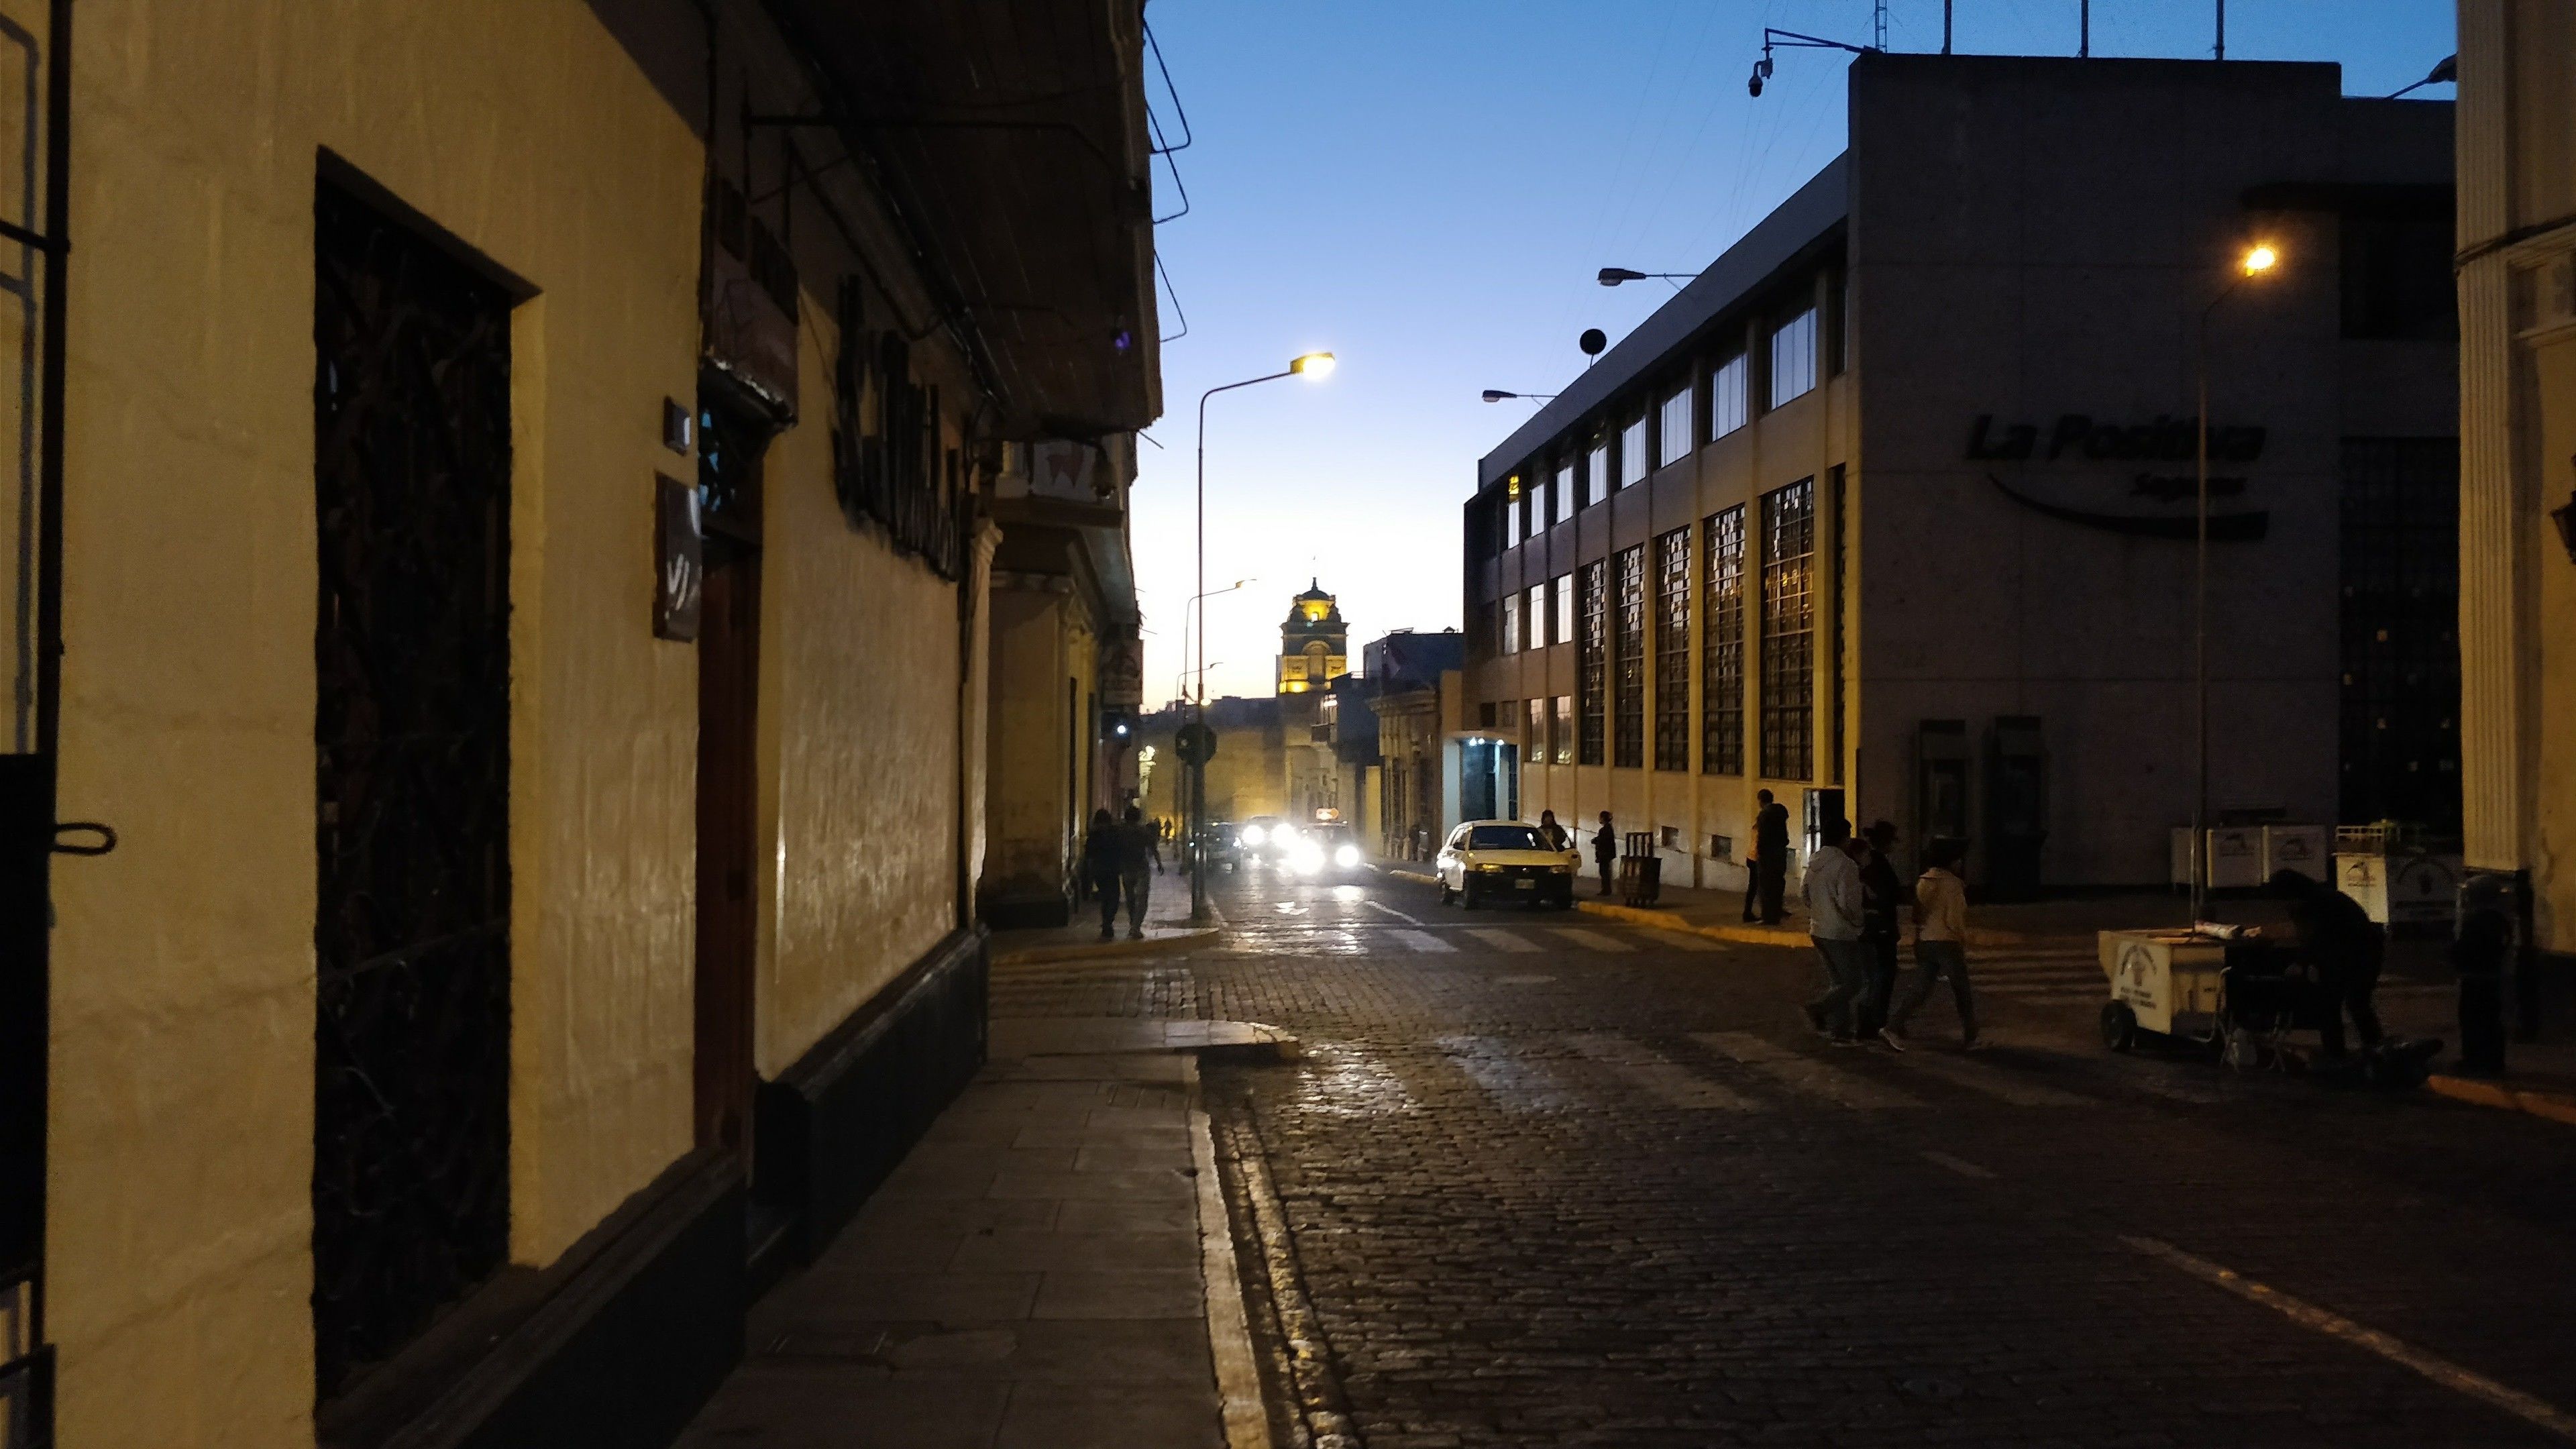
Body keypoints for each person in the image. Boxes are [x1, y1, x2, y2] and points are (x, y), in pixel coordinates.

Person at [2272, 868, 2385, 1058]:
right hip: (2358, 951)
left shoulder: (2317, 905)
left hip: (2356, 953)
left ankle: (2347, 1052)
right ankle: (2370, 1048)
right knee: (2351, 1003)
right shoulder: (2322, 899)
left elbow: (2317, 938)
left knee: (2342, 1003)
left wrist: (2303, 962)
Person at [1882, 838, 1977, 1051]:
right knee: (1962, 991)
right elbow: (1954, 919)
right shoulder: (1952, 884)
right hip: (1947, 942)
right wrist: (1964, 937)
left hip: (1926, 939)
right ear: (1951, 861)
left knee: (1921, 988)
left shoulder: (1924, 881)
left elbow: (1917, 914)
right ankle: (1972, 1036)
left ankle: (1893, 1025)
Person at [1799, 818, 1869, 1044]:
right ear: (1845, 838)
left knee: (1838, 982)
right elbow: (1849, 903)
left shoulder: (1815, 862)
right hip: (1839, 931)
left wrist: (1820, 910)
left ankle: (1840, 1029)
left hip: (1818, 927)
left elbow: (1805, 893)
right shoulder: (1845, 865)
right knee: (1854, 982)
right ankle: (1819, 1009)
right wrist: (1858, 923)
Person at [1854, 820, 1904, 1039]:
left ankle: (1870, 1022)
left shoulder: (1870, 864)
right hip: (1880, 929)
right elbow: (1887, 896)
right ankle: (1873, 1023)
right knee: (1881, 978)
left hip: (1874, 927)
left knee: (1875, 977)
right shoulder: (1879, 865)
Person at [2453, 907, 2510, 1077]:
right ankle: (2494, 1061)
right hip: (2492, 977)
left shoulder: (2475, 921)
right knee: (2491, 1021)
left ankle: (2473, 1060)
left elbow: (2465, 948)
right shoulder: (2499, 919)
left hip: (2474, 977)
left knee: (2472, 1020)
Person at [1116, 805, 1163, 941]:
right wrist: (1159, 864)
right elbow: (1153, 848)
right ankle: (1136, 927)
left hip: (1126, 868)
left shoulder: (1120, 831)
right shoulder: (1143, 831)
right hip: (1141, 868)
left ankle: (1133, 924)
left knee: (1130, 898)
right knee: (1142, 899)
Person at [1746, 790, 1790, 925]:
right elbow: (1784, 837)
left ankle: (1768, 917)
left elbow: (1762, 839)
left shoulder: (1764, 816)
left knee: (1764, 887)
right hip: (1780, 855)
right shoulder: (1781, 813)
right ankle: (1776, 914)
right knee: (1777, 885)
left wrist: (1759, 854)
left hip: (1766, 857)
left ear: (1761, 800)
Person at [1081, 807, 1122, 941]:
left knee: (1105, 897)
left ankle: (1106, 923)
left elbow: (1088, 855)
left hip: (1099, 870)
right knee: (1114, 897)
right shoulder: (1114, 833)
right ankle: (1108, 922)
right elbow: (1120, 849)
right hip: (1112, 869)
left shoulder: (1094, 835)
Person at [1591, 811, 1617, 898]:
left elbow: (1602, 841)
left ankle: (1605, 890)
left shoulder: (1604, 830)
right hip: (1607, 854)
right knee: (1605, 872)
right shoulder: (1609, 829)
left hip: (1604, 854)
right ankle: (1606, 889)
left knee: (1604, 872)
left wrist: (1595, 841)